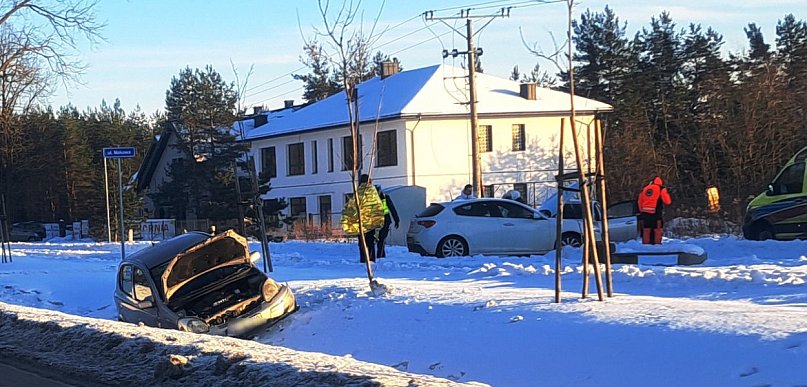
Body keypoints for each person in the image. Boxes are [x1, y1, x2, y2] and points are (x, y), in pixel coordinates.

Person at [637, 176, 672, 245]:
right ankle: (657, 244)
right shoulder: (661, 189)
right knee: (657, 229)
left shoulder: (645, 189)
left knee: (646, 229)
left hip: (645, 213)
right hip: (656, 213)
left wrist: (642, 211)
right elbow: (667, 201)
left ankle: (646, 244)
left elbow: (639, 202)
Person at [375, 185, 400, 258]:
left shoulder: (384, 197)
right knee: (380, 239)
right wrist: (396, 220)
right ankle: (380, 255)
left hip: (383, 221)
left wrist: (396, 220)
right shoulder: (382, 197)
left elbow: (392, 208)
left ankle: (380, 255)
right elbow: (392, 208)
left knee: (380, 239)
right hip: (380, 221)